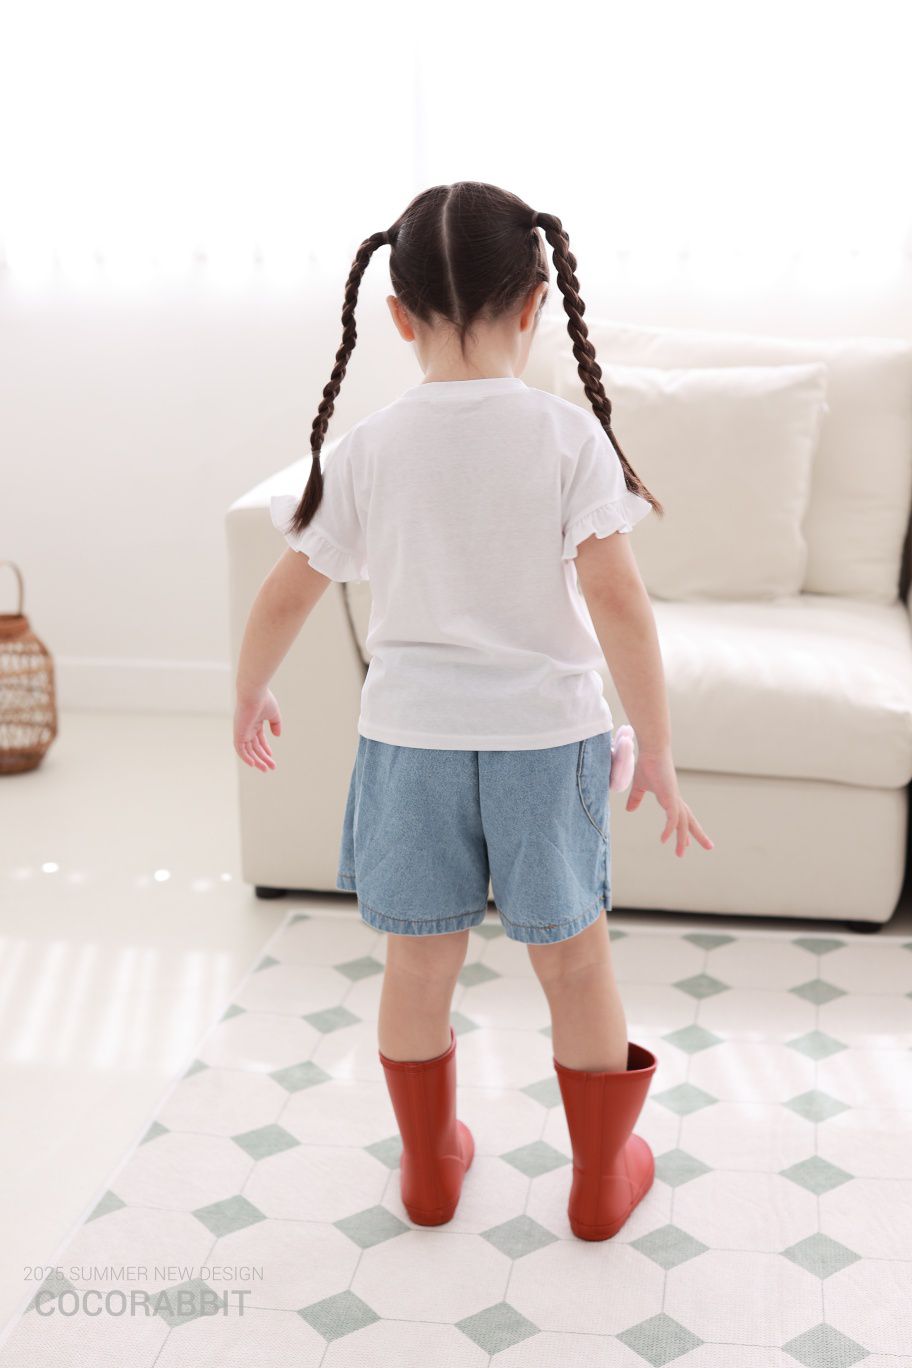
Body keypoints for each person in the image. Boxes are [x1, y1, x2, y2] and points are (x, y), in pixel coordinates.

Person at [233, 181, 714, 1242]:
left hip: (411, 745)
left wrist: (249, 689)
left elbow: (286, 592)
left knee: (418, 963)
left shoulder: (369, 447)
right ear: (536, 300)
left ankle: (429, 1171)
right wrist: (659, 748)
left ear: (397, 314)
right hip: (546, 744)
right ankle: (599, 1181)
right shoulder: (566, 436)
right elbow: (621, 606)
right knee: (575, 962)